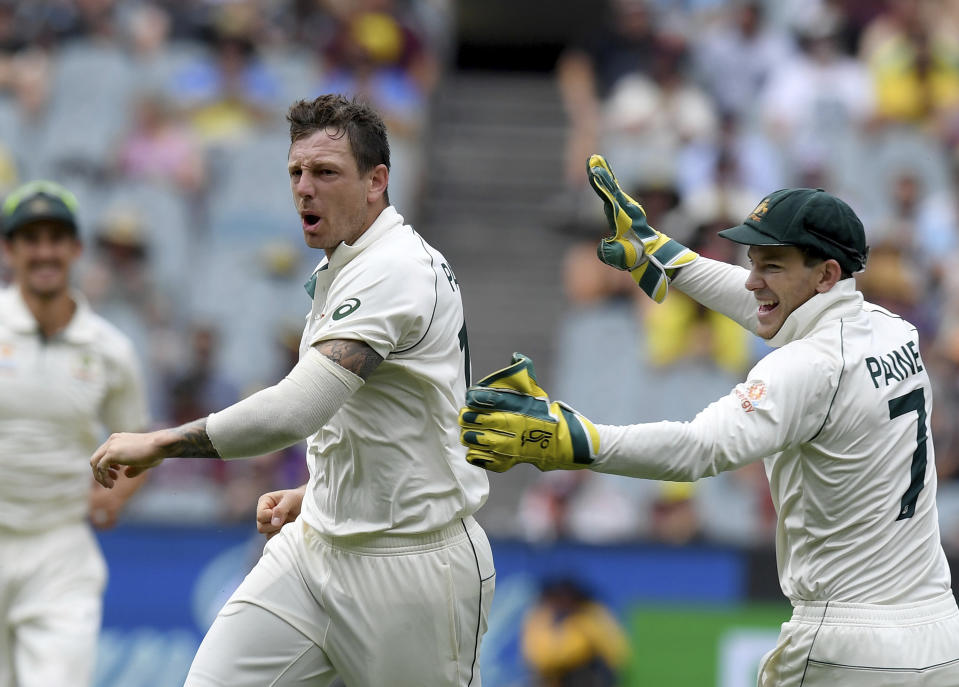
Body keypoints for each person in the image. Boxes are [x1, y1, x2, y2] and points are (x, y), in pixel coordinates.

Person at [459, 155, 959, 686]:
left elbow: (699, 449)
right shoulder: (891, 331)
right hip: (937, 631)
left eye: (771, 266)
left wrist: (576, 441)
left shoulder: (806, 367)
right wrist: (664, 255)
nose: (751, 282)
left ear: (826, 273)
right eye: (752, 262)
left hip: (849, 645)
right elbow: (775, 311)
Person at [90, 94, 494, 687]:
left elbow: (297, 408)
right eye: (296, 173)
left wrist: (161, 443)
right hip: (314, 547)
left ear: (377, 181)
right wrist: (319, 489)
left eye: (326, 173)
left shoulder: (396, 270)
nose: (304, 188)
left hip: (413, 565)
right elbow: (392, 414)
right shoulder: (350, 264)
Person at [0, 180, 150, 687]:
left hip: (60, 549)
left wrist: (117, 494)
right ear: (9, 249)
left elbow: (140, 440)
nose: (44, 252)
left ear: (76, 249)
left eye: (56, 238)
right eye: (30, 238)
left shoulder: (110, 349)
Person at [521, 577, 630, 687]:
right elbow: (538, 656)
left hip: (589, 679)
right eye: (558, 598)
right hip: (554, 679)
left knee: (582, 670)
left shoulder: (589, 616)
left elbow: (616, 654)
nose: (563, 603)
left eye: (567, 597)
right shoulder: (543, 616)